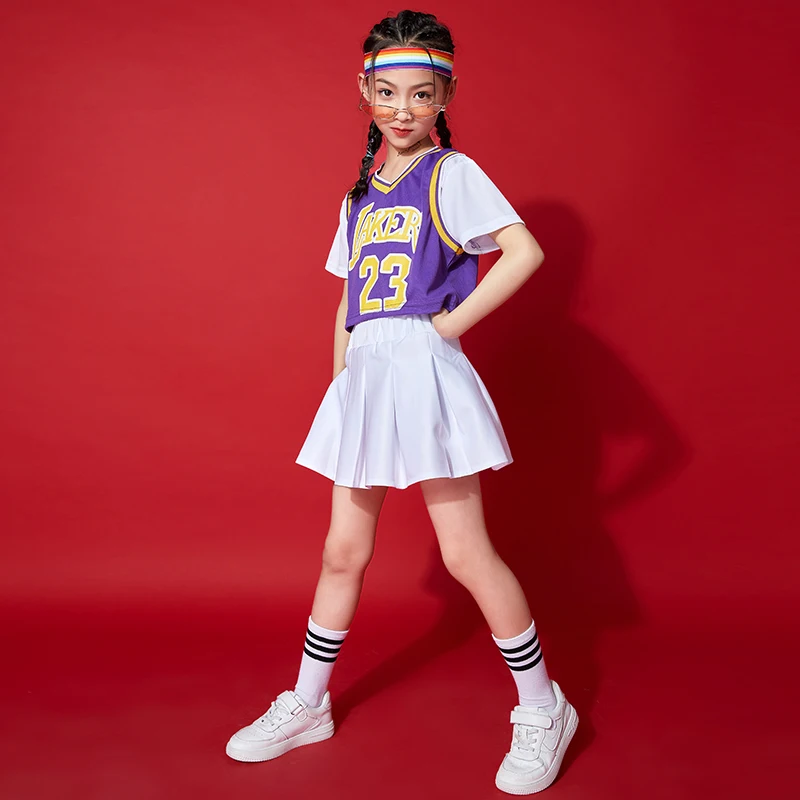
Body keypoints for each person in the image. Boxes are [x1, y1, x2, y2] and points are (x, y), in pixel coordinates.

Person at [226, 10, 578, 795]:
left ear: (444, 96)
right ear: (364, 92)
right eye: (387, 92)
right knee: (341, 552)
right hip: (366, 377)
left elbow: (523, 251)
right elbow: (348, 300)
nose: (403, 108)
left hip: (423, 370)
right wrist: (341, 383)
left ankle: (543, 706)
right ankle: (309, 703)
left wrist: (447, 327)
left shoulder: (452, 172)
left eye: (421, 93)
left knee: (464, 553)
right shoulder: (357, 195)